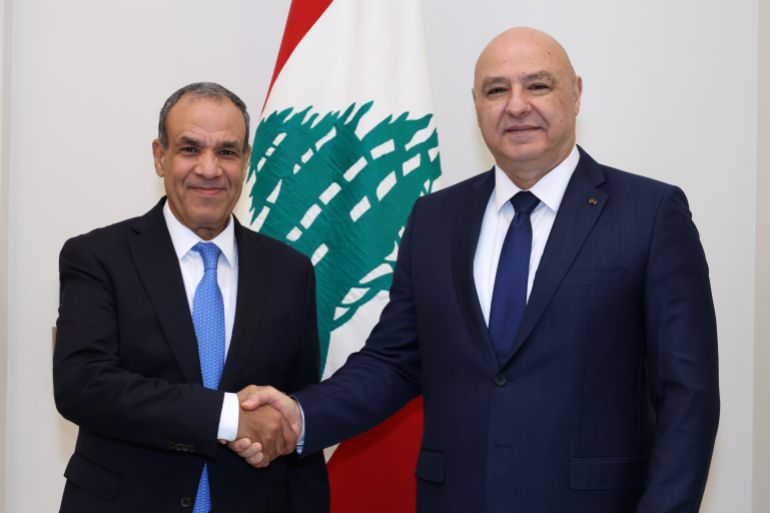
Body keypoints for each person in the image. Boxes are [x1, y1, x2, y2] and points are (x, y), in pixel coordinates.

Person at [233, 27, 721, 513]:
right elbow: (394, 361)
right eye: (496, 89)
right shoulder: (434, 219)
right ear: (475, 103)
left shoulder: (651, 214)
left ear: (575, 93)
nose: (516, 105)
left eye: (538, 85)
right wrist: (300, 414)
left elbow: (688, 397)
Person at [53, 82, 329, 513]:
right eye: (189, 148)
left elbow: (296, 417)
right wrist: (228, 416)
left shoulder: (291, 271)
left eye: (226, 152)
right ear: (159, 156)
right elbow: (83, 386)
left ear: (247, 160)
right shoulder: (98, 257)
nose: (209, 168)